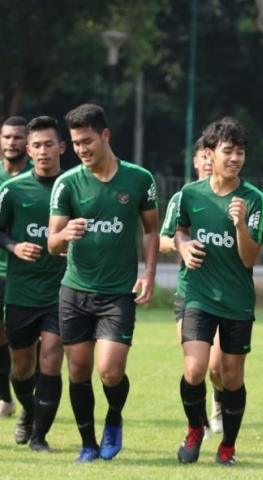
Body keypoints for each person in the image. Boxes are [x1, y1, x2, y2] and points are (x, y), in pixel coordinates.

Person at [48, 104, 159, 463]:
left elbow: (152, 230)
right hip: (75, 290)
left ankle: (114, 416)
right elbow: (52, 243)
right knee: (78, 370)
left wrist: (149, 274)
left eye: (87, 141)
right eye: (76, 143)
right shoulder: (67, 183)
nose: (81, 149)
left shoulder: (140, 179)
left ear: (105, 135)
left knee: (110, 371)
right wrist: (65, 233)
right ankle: (87, 443)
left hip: (117, 293)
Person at [175, 118, 263, 466]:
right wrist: (183, 247)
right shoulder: (191, 193)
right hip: (198, 296)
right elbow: (180, 230)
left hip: (237, 302)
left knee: (231, 377)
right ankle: (194, 428)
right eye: (228, 151)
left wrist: (240, 224)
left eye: (240, 152)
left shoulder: (254, 198)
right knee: (195, 370)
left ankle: (227, 444)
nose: (235, 158)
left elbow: (249, 257)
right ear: (209, 154)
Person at [0, 116, 66, 450]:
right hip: (22, 292)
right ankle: (28, 409)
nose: (43, 151)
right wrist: (14, 245)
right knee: (22, 369)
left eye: (49, 144)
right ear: (29, 150)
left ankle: (40, 436)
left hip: (61, 291)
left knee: (51, 360)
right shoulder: (11, 190)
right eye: (36, 146)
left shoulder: (73, 187)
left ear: (61, 148)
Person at [160, 138, 221, 435]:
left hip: (226, 294)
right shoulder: (183, 197)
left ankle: (220, 399)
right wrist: (181, 245)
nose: (209, 162)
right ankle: (200, 424)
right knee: (194, 366)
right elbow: (161, 239)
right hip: (190, 293)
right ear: (196, 162)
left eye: (213, 156)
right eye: (203, 157)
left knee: (217, 367)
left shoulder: (236, 197)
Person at [0, 115, 32, 417]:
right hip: (0, 270)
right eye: (7, 137)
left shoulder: (41, 176)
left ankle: (27, 395)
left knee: (27, 342)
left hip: (32, 273)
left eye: (17, 137)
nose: (12, 143)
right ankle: (5, 396)